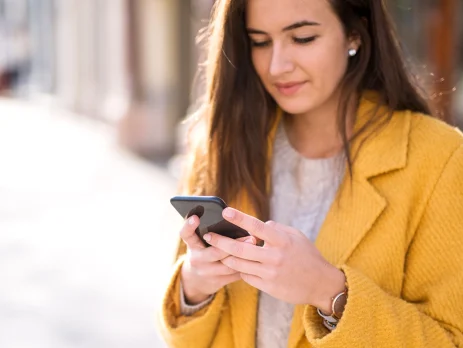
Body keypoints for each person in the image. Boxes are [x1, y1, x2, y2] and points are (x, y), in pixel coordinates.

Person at [157, 0, 463, 347]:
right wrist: (193, 287)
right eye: (260, 41)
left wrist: (329, 291)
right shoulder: (220, 143)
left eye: (302, 38)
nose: (277, 66)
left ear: (355, 33)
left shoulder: (440, 159)